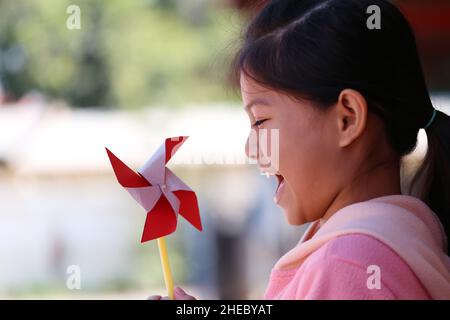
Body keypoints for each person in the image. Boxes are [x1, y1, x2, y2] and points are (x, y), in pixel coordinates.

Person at [149, 0, 450, 300]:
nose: (251, 149)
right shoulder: (402, 239)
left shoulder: (348, 263)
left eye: (260, 121)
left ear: (348, 118)